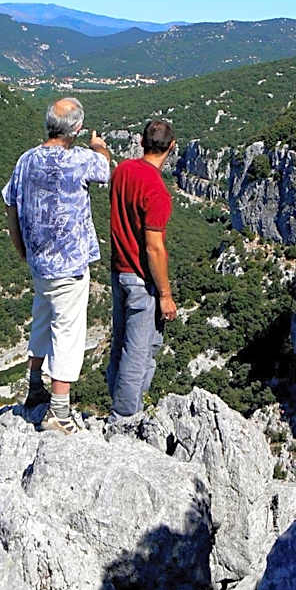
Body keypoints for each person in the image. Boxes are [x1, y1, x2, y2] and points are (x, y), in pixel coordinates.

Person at [2, 97, 110, 434]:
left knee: (42, 322)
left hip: (39, 263)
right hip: (69, 264)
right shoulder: (79, 160)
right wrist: (99, 147)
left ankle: (35, 390)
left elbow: (10, 205)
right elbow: (106, 170)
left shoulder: (26, 160)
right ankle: (59, 413)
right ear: (76, 129)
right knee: (68, 333)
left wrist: (22, 249)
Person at [106, 119, 177, 424]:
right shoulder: (157, 191)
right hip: (141, 281)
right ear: (171, 148)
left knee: (120, 345)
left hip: (118, 273)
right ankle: (124, 419)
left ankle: (117, 404)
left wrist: (100, 149)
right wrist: (165, 294)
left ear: (140, 141)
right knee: (138, 353)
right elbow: (154, 248)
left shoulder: (123, 171)